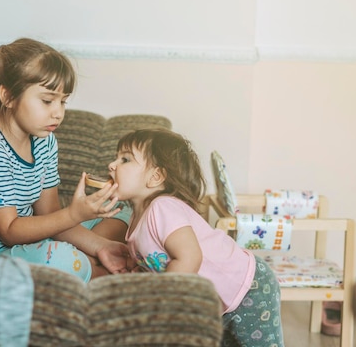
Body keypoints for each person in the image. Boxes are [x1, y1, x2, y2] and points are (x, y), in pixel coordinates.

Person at [0, 38, 134, 282]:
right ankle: (94, 270)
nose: (58, 113)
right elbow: (9, 232)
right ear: (8, 97)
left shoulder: (44, 140)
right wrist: (74, 215)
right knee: (61, 258)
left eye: (63, 101)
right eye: (47, 100)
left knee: (123, 211)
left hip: (31, 239)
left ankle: (94, 260)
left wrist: (100, 245)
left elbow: (49, 213)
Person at [108, 128, 284, 347]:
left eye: (125, 159)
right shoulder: (135, 221)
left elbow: (190, 258)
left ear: (156, 177)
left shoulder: (162, 207)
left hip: (249, 286)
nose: (112, 165)